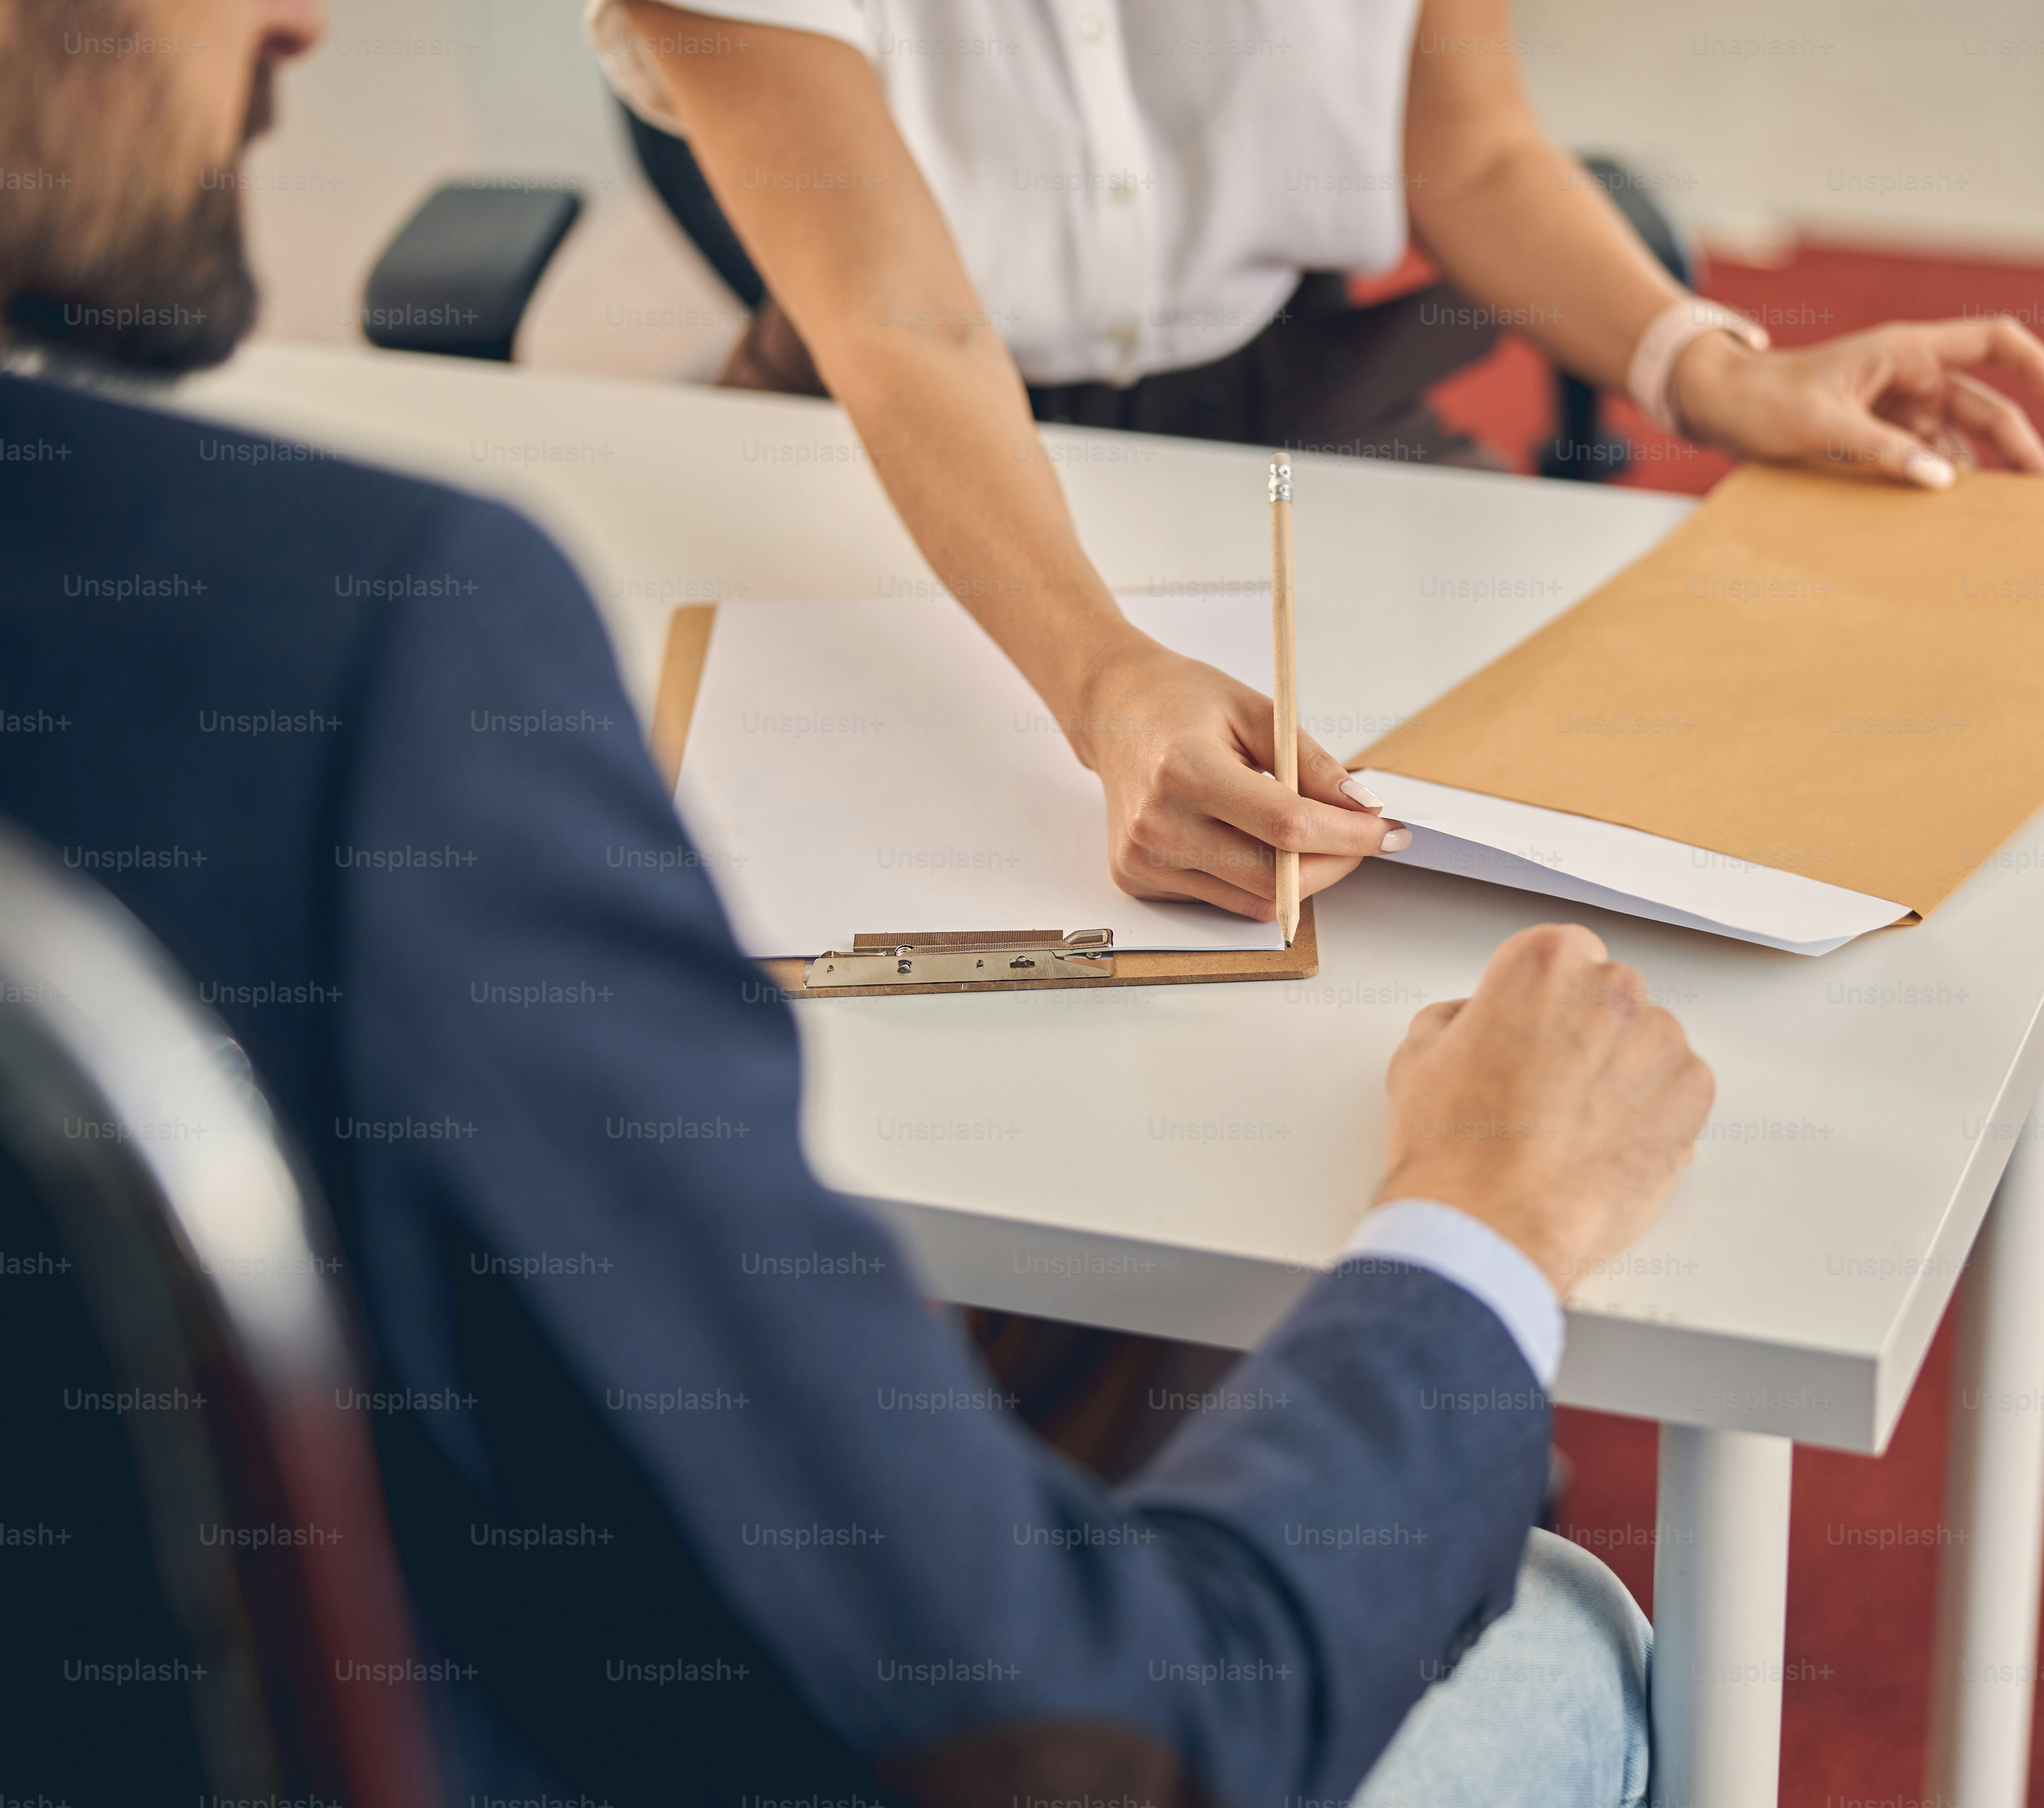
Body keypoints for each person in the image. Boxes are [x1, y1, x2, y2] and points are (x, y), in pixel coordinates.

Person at [0, 0, 1710, 1803]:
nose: (300, 18)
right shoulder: (363, 663)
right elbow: (1084, 1738)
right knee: (1559, 1644)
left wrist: (1692, 350)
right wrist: (1481, 1229)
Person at [591, 0, 2044, 922]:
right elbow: (902, 321)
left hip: (1296, 395)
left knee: (1546, 829)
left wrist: (1713, 371)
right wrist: (1102, 677)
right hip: (890, 414)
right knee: (903, 922)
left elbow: (1472, 154)